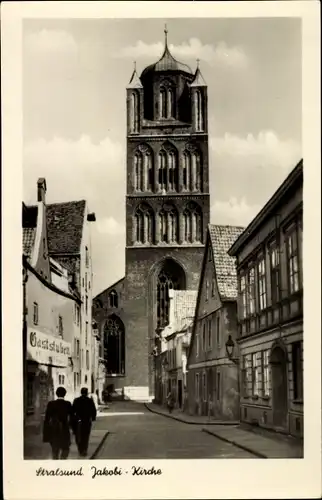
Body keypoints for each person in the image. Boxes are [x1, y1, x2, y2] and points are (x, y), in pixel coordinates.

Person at [43, 386, 73, 460]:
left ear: (56, 394)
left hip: (54, 430)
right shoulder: (68, 404)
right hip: (64, 429)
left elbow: (46, 419)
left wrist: (46, 433)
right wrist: (72, 428)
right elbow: (72, 417)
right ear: (64, 394)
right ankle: (62, 460)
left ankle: (56, 463)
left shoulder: (51, 404)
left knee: (55, 450)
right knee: (65, 448)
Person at [72, 387, 97, 457]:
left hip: (78, 421)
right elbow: (93, 410)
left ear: (81, 392)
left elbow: (73, 410)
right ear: (86, 393)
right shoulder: (89, 400)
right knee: (86, 436)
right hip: (87, 421)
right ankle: (84, 450)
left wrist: (73, 419)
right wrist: (93, 418)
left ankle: (80, 449)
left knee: (78, 435)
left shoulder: (76, 400)